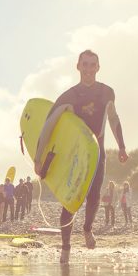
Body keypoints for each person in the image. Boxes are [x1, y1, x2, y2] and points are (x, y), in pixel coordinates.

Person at [35, 49, 128, 264]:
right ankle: (65, 248)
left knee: (94, 197)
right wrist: (38, 158)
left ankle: (87, 229)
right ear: (78, 67)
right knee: (69, 201)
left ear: (98, 67)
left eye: (92, 64)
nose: (88, 69)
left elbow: (113, 119)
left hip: (98, 155)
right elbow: (48, 126)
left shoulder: (106, 93)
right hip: (74, 157)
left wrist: (122, 146)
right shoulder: (69, 97)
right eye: (84, 64)